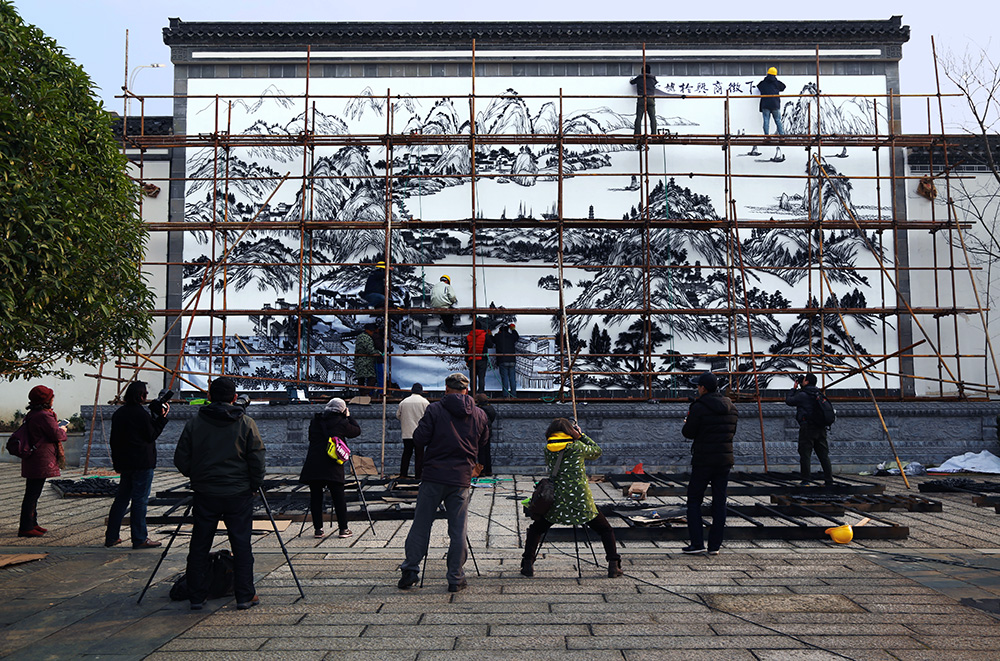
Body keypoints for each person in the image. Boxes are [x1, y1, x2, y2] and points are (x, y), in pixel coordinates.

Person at [174, 377, 265, 611]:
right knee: (242, 543)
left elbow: (181, 458)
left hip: (206, 491)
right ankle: (245, 595)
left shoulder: (195, 423)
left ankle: (196, 595)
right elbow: (257, 458)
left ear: (209, 396)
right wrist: (254, 484)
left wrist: (197, 476)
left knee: (200, 544)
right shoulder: (245, 423)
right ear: (234, 398)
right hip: (238, 492)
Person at [398, 372, 489, 592]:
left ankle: (410, 570)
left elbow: (419, 439)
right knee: (458, 529)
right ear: (467, 391)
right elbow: (484, 440)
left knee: (421, 523)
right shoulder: (479, 414)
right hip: (461, 478)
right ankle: (455, 578)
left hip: (434, 476)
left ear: (446, 389)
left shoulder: (435, 409)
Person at [521, 418, 622, 578]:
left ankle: (527, 564)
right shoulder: (577, 447)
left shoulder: (548, 449)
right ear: (570, 432)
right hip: (580, 500)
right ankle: (613, 565)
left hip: (556, 500)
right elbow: (597, 451)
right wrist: (581, 435)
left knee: (536, 529)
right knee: (605, 529)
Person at [104, 381, 169, 549]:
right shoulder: (141, 414)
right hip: (142, 462)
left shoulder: (119, 413)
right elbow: (151, 435)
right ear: (141, 396)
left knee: (121, 499)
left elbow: (114, 440)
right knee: (140, 500)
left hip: (125, 462)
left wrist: (117, 462)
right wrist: (162, 418)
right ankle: (139, 538)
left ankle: (111, 536)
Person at [681, 372, 738, 556]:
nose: (697, 389)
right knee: (720, 501)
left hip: (704, 460)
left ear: (703, 388)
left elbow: (688, 432)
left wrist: (688, 422)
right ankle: (714, 546)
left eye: (698, 386)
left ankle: (697, 542)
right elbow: (731, 433)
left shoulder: (699, 407)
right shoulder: (731, 407)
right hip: (724, 461)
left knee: (694, 500)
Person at [299, 397, 362, 539]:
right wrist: (349, 416)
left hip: (314, 462)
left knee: (316, 497)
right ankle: (343, 529)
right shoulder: (342, 423)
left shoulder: (315, 421)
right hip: (332, 463)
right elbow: (357, 431)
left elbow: (310, 437)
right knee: (338, 496)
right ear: (342, 410)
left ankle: (318, 529)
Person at [17, 386, 66, 538]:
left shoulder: (33, 414)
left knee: (33, 491)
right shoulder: (44, 416)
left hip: (33, 457)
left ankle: (32, 522)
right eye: (51, 398)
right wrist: (63, 429)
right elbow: (56, 434)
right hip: (40, 458)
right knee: (33, 493)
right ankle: (26, 526)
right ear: (46, 400)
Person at [785, 373, 833, 486]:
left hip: (808, 428)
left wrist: (794, 388)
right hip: (821, 428)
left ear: (806, 382)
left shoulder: (803, 395)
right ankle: (829, 479)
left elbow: (789, 401)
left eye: (804, 379)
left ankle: (806, 480)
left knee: (805, 454)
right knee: (823, 454)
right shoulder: (819, 393)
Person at [396, 383, 430, 479]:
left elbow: (398, 415)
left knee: (406, 453)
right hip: (420, 433)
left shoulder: (403, 402)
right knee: (419, 455)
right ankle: (418, 475)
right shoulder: (425, 402)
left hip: (407, 432)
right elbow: (428, 417)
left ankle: (403, 474)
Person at [630, 64, 658, 136]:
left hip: (641, 99)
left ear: (642, 71)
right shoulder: (653, 79)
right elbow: (656, 83)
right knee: (652, 118)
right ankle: (654, 134)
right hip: (651, 99)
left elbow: (632, 82)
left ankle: (637, 134)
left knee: (639, 117)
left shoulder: (639, 78)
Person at [465, 321, 493, 395]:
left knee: (473, 378)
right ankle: (481, 394)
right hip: (482, 359)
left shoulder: (469, 336)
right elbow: (490, 345)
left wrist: (466, 360)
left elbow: (466, 349)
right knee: (481, 377)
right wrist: (490, 335)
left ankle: (473, 394)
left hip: (472, 359)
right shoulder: (485, 335)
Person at [493, 323, 520, 398]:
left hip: (502, 360)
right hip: (512, 359)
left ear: (499, 330)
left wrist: (489, 333)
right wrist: (513, 329)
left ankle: (505, 395)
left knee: (504, 378)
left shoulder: (498, 336)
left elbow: (492, 340)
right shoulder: (511, 336)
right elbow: (517, 337)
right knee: (512, 378)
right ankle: (513, 395)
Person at [757, 66, 786, 136]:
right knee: (778, 120)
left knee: (766, 120)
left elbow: (759, 87)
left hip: (765, 104)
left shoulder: (763, 83)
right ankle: (782, 135)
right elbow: (783, 87)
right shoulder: (777, 83)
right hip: (775, 104)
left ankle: (767, 136)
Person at [474, 394, 497, 477]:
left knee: (481, 452)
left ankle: (482, 470)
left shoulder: (479, 409)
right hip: (489, 430)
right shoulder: (490, 407)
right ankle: (489, 470)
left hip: (481, 431)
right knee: (487, 452)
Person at [353, 325, 378, 397]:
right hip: (366, 361)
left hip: (359, 360)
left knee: (361, 378)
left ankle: (362, 393)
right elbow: (370, 350)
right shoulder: (366, 338)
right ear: (367, 330)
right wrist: (378, 353)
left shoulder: (359, 336)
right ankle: (366, 393)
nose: (372, 333)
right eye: (371, 331)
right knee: (372, 377)